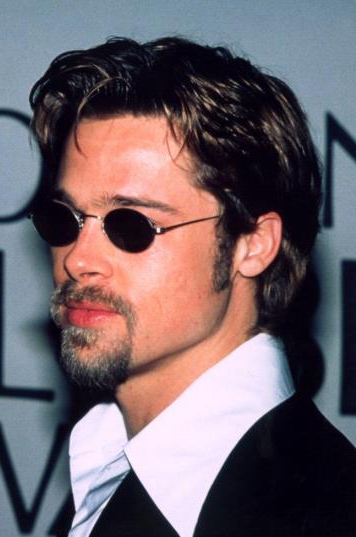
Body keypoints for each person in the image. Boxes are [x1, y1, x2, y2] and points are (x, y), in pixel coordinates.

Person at [28, 36, 356, 537]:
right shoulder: (107, 464)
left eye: (131, 225)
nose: (78, 259)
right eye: (65, 219)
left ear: (253, 244)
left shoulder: (323, 512)